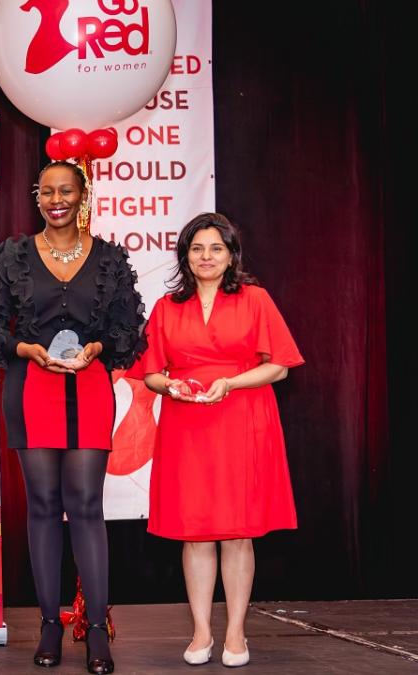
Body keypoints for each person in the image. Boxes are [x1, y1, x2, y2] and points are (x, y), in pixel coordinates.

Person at [0, 161, 146, 674]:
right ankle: (49, 623)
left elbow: (126, 330)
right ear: (37, 197)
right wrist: (25, 347)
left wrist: (95, 346)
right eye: (46, 191)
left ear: (81, 195)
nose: (56, 199)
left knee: (87, 504)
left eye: (66, 190)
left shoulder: (110, 260)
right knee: (43, 505)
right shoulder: (13, 257)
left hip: (88, 387)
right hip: (32, 386)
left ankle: (95, 631)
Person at [134, 213, 303, 668]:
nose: (206, 257)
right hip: (187, 425)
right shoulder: (168, 306)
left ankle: (235, 634)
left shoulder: (256, 299)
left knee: (238, 533)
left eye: (216, 249)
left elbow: (280, 366)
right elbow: (150, 373)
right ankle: (201, 633)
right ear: (185, 255)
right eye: (197, 249)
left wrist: (231, 383)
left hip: (243, 419)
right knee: (195, 534)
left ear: (231, 256)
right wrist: (170, 386)